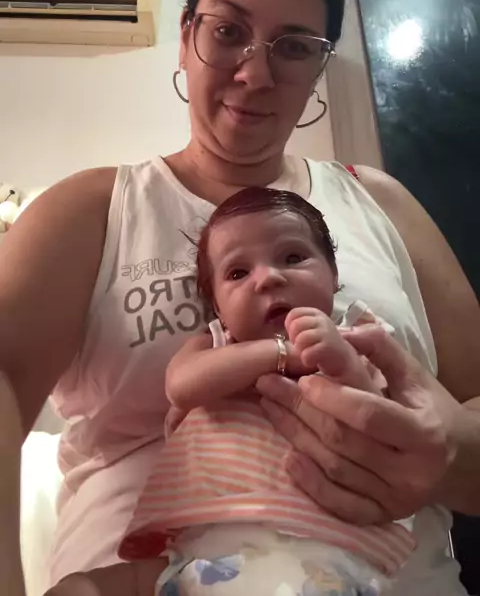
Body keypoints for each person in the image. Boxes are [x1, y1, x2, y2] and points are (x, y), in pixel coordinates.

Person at [0, 0, 478, 596]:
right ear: (186, 36)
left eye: (294, 47)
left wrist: (447, 453)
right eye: (227, 31)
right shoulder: (92, 209)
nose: (255, 73)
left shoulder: (381, 201)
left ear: (319, 69)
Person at [119, 186, 414, 596]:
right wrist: (282, 353)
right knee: (85, 585)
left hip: (327, 553)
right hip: (206, 548)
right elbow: (181, 387)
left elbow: (380, 425)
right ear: (218, 309)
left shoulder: (358, 338)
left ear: (333, 276)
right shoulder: (216, 346)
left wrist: (342, 362)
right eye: (238, 273)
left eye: (292, 257)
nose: (268, 278)